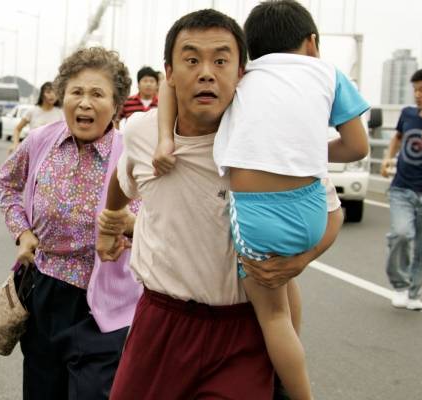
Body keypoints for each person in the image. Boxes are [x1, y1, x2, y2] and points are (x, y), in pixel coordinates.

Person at [96, 9, 344, 400]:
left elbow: (332, 211)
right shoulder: (144, 134)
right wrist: (111, 220)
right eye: (192, 60)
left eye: (221, 60)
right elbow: (122, 179)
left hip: (240, 333)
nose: (207, 72)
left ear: (242, 73)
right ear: (170, 74)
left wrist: (300, 260)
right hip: (161, 323)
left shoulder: (268, 140)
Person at [152, 2, 369, 398]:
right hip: (312, 205)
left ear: (246, 52)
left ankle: (294, 392)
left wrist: (165, 138)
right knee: (285, 287)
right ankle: (288, 365)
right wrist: (305, 152)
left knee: (273, 317)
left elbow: (170, 85)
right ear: (312, 42)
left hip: (257, 215)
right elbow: (357, 146)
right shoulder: (328, 73)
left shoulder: (244, 79)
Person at [0, 47, 141, 400]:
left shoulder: (132, 155)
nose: (85, 103)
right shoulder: (41, 141)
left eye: (97, 94)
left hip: (106, 305)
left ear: (117, 103)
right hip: (45, 293)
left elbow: (158, 221)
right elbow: (5, 183)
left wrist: (129, 227)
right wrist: (23, 232)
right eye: (76, 92)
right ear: (62, 96)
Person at [380, 67, 422, 311]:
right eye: (415, 90)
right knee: (401, 233)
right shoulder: (407, 114)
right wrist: (388, 158)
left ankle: (414, 292)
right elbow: (397, 137)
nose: (417, 95)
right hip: (402, 189)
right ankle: (399, 285)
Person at [9, 81, 64, 152]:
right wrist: (15, 144)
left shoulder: (60, 113)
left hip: (52, 153)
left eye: (55, 92)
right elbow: (17, 129)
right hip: (33, 150)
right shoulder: (32, 111)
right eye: (48, 92)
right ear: (42, 94)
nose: (52, 95)